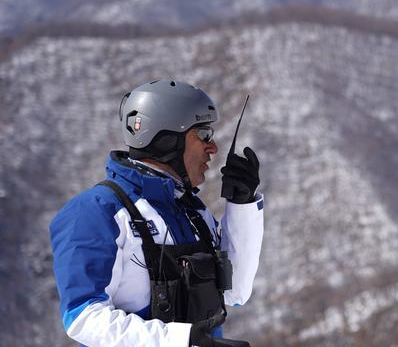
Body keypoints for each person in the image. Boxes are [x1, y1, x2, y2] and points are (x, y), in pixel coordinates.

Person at [49, 80, 263, 346]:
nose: (213, 148)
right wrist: (182, 340)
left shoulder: (192, 212)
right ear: (166, 140)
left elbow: (235, 293)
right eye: (204, 134)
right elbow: (83, 318)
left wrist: (242, 204)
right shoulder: (96, 212)